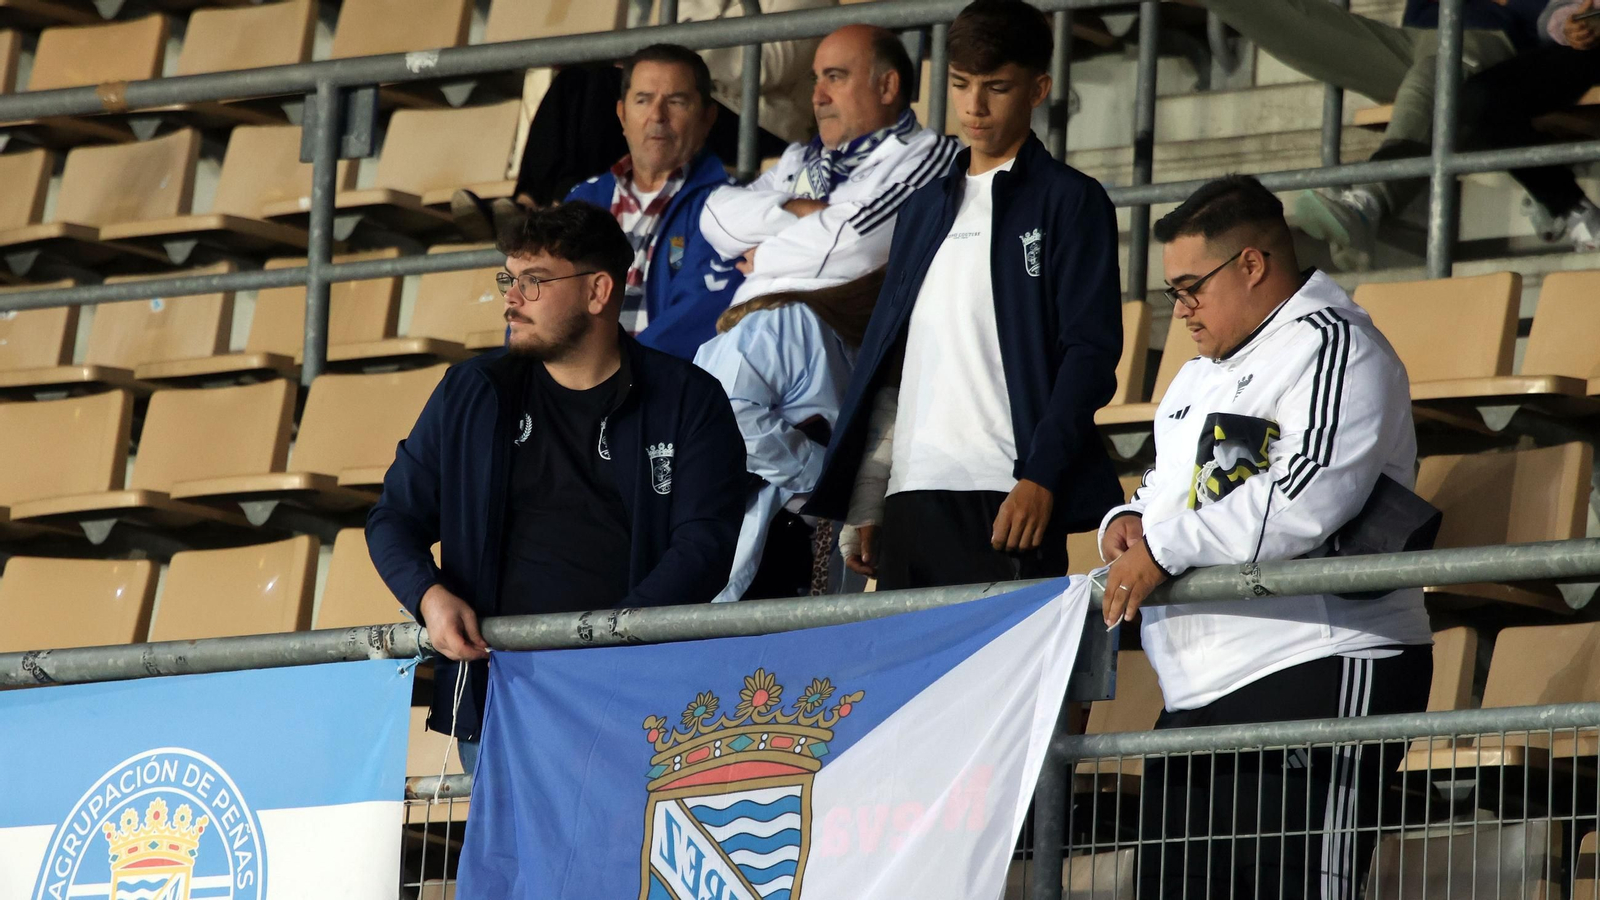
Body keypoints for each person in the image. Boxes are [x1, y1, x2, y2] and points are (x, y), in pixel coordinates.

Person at [1096, 175, 1433, 899]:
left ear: (1252, 264)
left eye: (1191, 287)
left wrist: (1165, 548)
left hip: (1317, 661)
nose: (1180, 309)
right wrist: (1125, 525)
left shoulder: (1336, 344)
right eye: (1171, 293)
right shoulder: (1193, 377)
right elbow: (1165, 493)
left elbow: (1306, 498)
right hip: (1198, 690)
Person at [366, 202, 747, 768]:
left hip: (633, 704)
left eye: (534, 281)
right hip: (497, 699)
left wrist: (607, 646)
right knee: (506, 860)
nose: (511, 299)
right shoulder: (472, 392)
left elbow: (704, 547)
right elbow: (393, 518)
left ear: (598, 292)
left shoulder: (688, 398)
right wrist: (429, 595)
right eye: (509, 279)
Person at [804, 0, 1124, 590]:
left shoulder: (1070, 201)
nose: (974, 107)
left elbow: (1090, 354)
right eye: (960, 85)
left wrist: (1041, 478)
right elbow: (895, 365)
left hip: (1006, 497)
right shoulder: (923, 208)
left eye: (997, 87)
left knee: (1001, 683)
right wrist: (872, 496)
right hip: (909, 496)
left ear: (1038, 89)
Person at [1189, 0, 1549, 267]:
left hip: (1500, 41)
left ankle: (1369, 202)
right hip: (1419, 36)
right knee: (1305, 21)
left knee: (1444, 63)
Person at [698, 24, 962, 306]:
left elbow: (857, 244)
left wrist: (762, 254)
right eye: (816, 79)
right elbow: (714, 215)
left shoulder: (930, 154)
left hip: (825, 334)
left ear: (887, 87)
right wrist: (797, 208)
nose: (818, 97)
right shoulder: (802, 158)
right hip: (749, 325)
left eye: (834, 77)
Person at [694, 269, 884, 602]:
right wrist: (829, 479)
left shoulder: (863, 345)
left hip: (805, 546)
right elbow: (731, 416)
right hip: (763, 540)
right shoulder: (793, 321)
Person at [561, 44, 748, 359]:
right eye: (643, 100)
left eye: (676, 101)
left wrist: (617, 374)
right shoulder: (583, 200)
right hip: (575, 386)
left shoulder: (727, 205)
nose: (657, 116)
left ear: (707, 117)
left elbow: (698, 313)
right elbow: (539, 295)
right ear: (622, 114)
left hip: (662, 390)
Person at [1454, 0, 1600, 249]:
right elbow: (1549, 17)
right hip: (1591, 48)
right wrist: (1570, 25)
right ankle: (1574, 209)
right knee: (1479, 97)